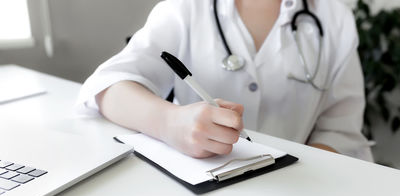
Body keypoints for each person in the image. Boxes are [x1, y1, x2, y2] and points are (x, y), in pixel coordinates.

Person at [77, 0, 373, 161]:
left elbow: (342, 133)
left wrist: (295, 170)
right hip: (199, 193)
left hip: (296, 194)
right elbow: (108, 85)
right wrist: (169, 123)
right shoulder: (185, 8)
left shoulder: (335, 17)